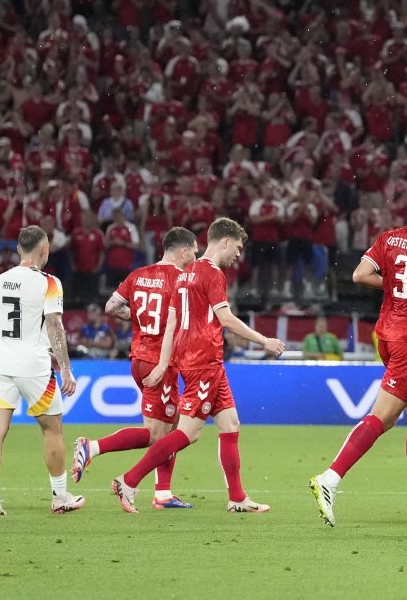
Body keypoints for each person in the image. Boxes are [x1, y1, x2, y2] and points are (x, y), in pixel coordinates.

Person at [309, 179, 407, 527]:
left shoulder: (390, 237)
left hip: (388, 335)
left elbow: (360, 275)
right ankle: (329, 479)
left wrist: (395, 284)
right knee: (382, 417)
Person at [110, 218, 287, 514]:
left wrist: (163, 364)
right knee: (188, 433)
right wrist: (263, 340)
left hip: (201, 361)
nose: (238, 255)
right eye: (237, 248)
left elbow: (171, 324)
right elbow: (225, 318)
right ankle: (128, 480)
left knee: (230, 424)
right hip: (203, 361)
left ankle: (237, 498)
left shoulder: (185, 274)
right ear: (225, 242)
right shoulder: (213, 273)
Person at [71, 227, 199, 510]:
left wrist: (140, 319)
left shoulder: (138, 275)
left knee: (174, 423)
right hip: (159, 362)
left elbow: (111, 307)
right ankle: (93, 448)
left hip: (139, 358)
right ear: (182, 251)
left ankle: (163, 493)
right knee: (156, 434)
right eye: (193, 252)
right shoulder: (181, 280)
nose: (195, 257)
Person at [0, 225, 82, 516]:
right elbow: (54, 326)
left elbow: (11, 325)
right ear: (44, 249)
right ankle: (60, 498)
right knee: (52, 429)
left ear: (18, 249)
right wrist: (65, 367)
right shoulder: (48, 282)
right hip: (34, 368)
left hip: (0, 364)